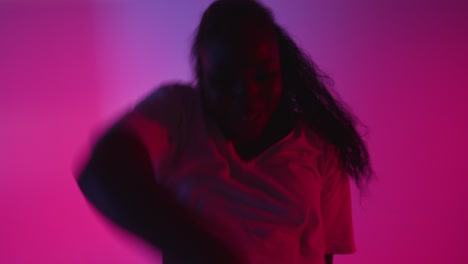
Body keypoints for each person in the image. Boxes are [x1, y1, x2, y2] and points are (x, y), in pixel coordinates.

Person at [76, 0, 373, 263]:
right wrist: (204, 250)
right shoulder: (180, 114)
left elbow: (324, 257)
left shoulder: (320, 147)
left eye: (263, 75)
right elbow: (103, 170)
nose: (247, 96)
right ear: (201, 75)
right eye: (225, 79)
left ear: (282, 68)